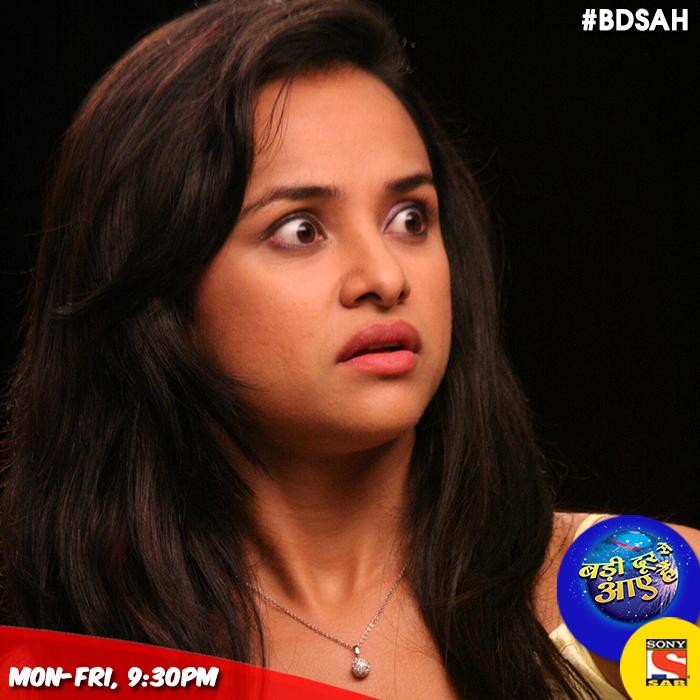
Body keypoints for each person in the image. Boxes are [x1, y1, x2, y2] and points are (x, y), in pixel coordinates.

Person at [1, 1, 697, 698]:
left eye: (410, 219)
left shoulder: (654, 593)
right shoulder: (66, 664)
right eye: (301, 230)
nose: (386, 277)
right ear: (158, 290)